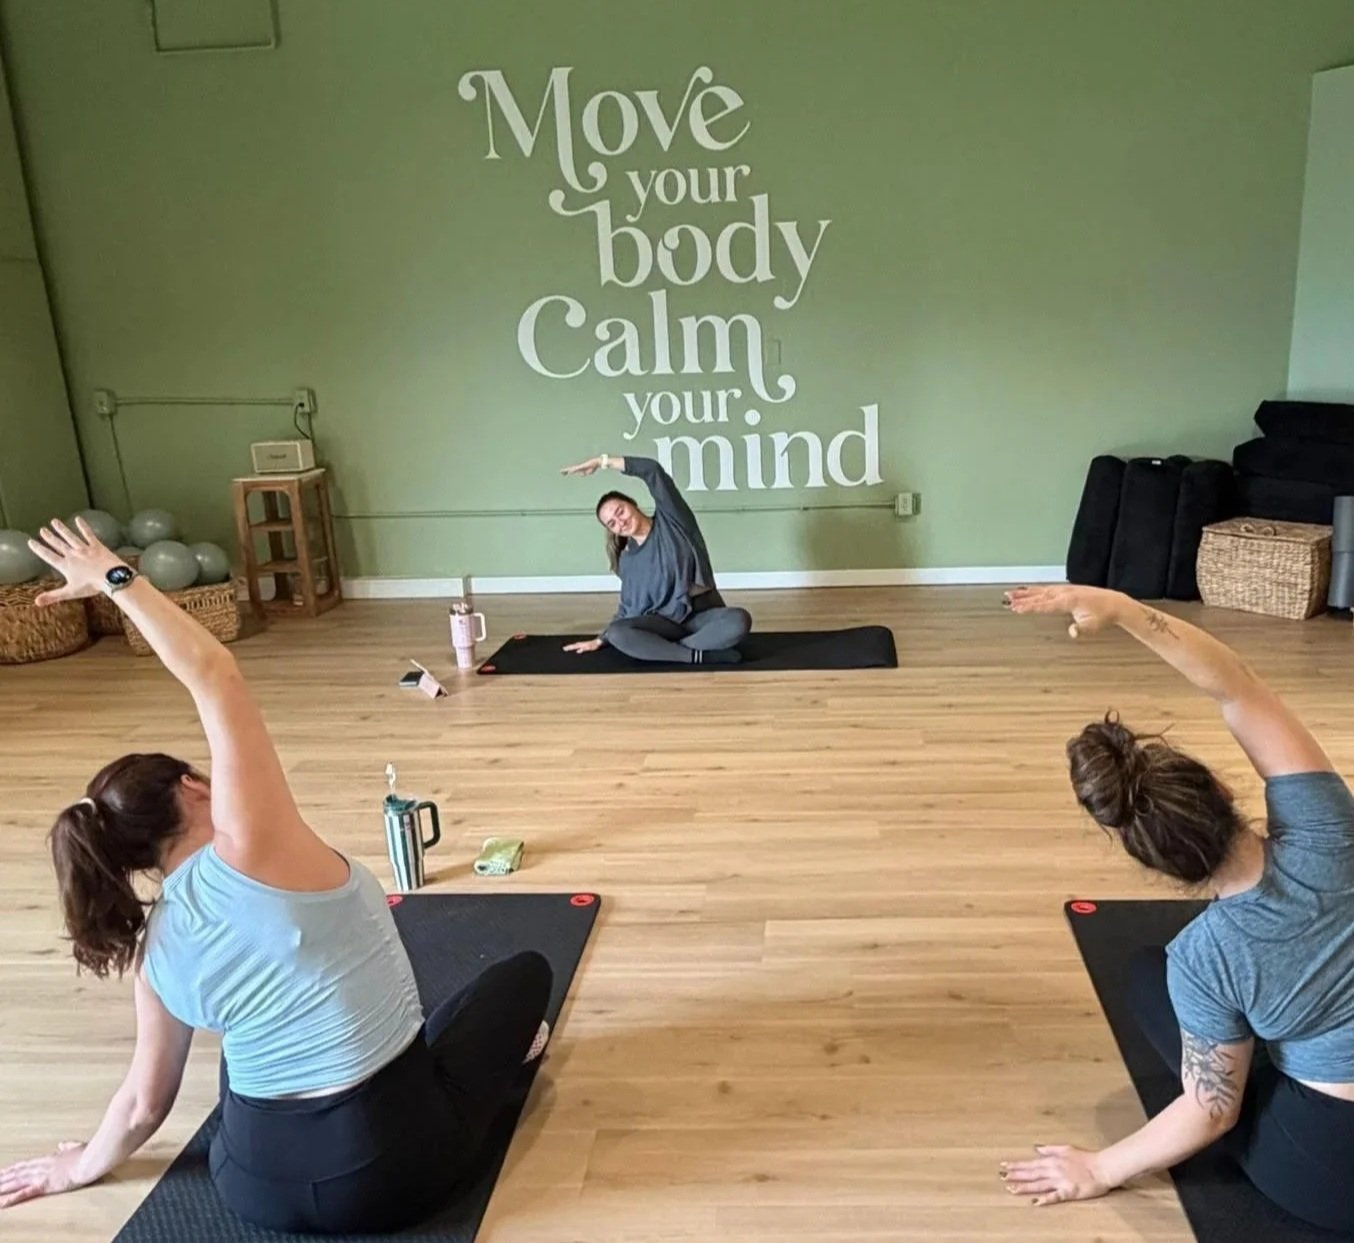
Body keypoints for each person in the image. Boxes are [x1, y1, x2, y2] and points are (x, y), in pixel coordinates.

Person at [0, 518, 553, 1233]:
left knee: (247, 1043)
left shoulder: (153, 947)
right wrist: (117, 576)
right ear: (194, 786)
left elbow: (145, 1103)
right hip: (390, 1173)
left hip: (251, 1182)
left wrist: (77, 1167)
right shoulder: (254, 846)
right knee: (520, 978)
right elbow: (213, 674)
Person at [998, 583, 1354, 1233]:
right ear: (1221, 788)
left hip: (1335, 1166)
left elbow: (1211, 1110)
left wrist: (1099, 1168)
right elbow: (1238, 687)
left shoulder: (1201, 959)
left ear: (1156, 864)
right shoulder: (1329, 824)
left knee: (1144, 975)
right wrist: (1123, 608)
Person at [560, 452, 751, 664]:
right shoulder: (628, 559)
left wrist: (602, 462)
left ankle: (664, 651)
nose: (620, 522)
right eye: (612, 523)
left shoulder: (673, 521)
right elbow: (627, 609)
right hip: (664, 625)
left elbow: (652, 471)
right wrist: (601, 639)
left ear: (633, 504)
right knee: (617, 633)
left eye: (620, 512)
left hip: (701, 618)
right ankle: (696, 655)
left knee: (738, 620)